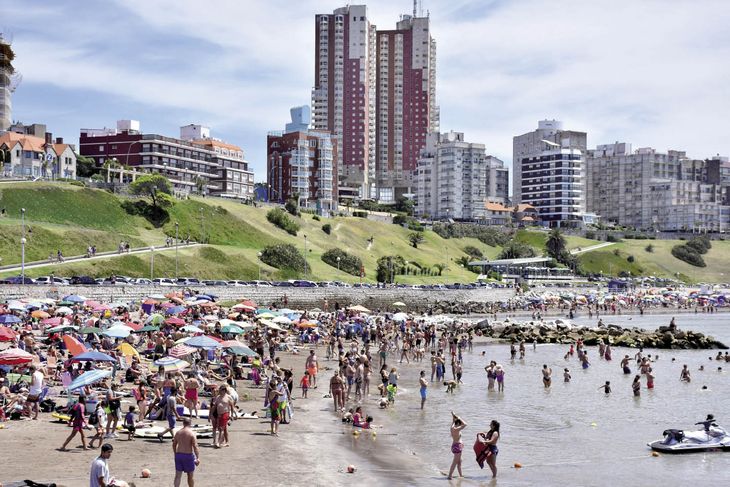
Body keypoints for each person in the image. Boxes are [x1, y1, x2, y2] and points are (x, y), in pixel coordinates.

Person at [173, 417, 201, 487]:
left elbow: (174, 444)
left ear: (183, 423)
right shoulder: (192, 433)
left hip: (179, 455)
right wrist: (198, 458)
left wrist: (175, 453)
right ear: (190, 423)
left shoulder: (178, 432)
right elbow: (195, 446)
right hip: (188, 456)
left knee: (178, 476)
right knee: (190, 476)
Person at [447, 412, 467, 480]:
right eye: (459, 424)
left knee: (459, 462)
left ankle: (461, 475)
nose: (460, 425)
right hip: (457, 446)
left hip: (455, 446)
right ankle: (449, 476)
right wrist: (459, 417)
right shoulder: (456, 429)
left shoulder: (452, 427)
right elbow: (465, 424)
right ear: (458, 424)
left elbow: (453, 422)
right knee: (455, 462)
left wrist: (454, 416)